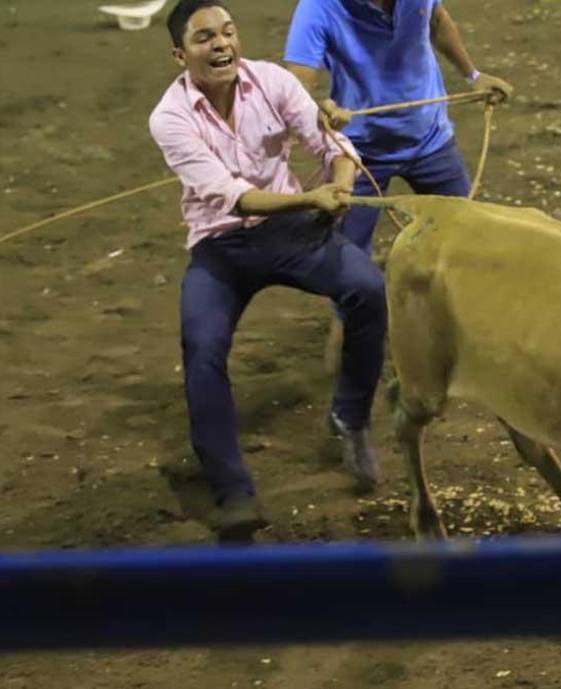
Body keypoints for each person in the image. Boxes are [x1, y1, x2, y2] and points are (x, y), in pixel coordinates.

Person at [149, 0, 386, 543]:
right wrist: (310, 196)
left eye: (228, 32)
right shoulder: (169, 117)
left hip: (291, 233)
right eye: (205, 37)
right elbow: (230, 197)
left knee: (368, 289)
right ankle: (233, 492)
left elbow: (332, 142)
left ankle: (350, 416)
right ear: (179, 54)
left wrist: (342, 185)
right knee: (202, 347)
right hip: (221, 247)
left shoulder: (273, 81)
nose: (222, 44)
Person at [283, 0, 516, 256]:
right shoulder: (319, 7)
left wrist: (473, 75)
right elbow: (297, 85)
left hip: (431, 140)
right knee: (348, 260)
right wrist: (318, 115)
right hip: (359, 154)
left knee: (468, 238)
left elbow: (436, 19)